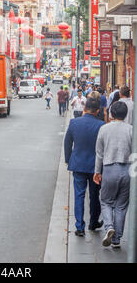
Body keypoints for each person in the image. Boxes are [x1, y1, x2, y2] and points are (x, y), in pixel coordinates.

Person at [94, 101, 133, 248]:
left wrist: (97, 171)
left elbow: (99, 153)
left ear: (111, 113)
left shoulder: (104, 129)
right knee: (121, 206)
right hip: (127, 170)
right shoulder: (131, 130)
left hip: (109, 168)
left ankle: (109, 226)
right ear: (125, 114)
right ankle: (116, 239)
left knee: (105, 201)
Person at [64, 98, 105, 236]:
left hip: (78, 164)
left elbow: (67, 142)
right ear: (97, 111)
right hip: (95, 166)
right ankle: (93, 222)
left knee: (79, 195)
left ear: (84, 108)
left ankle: (79, 226)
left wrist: (68, 159)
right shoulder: (101, 125)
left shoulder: (74, 122)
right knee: (94, 195)